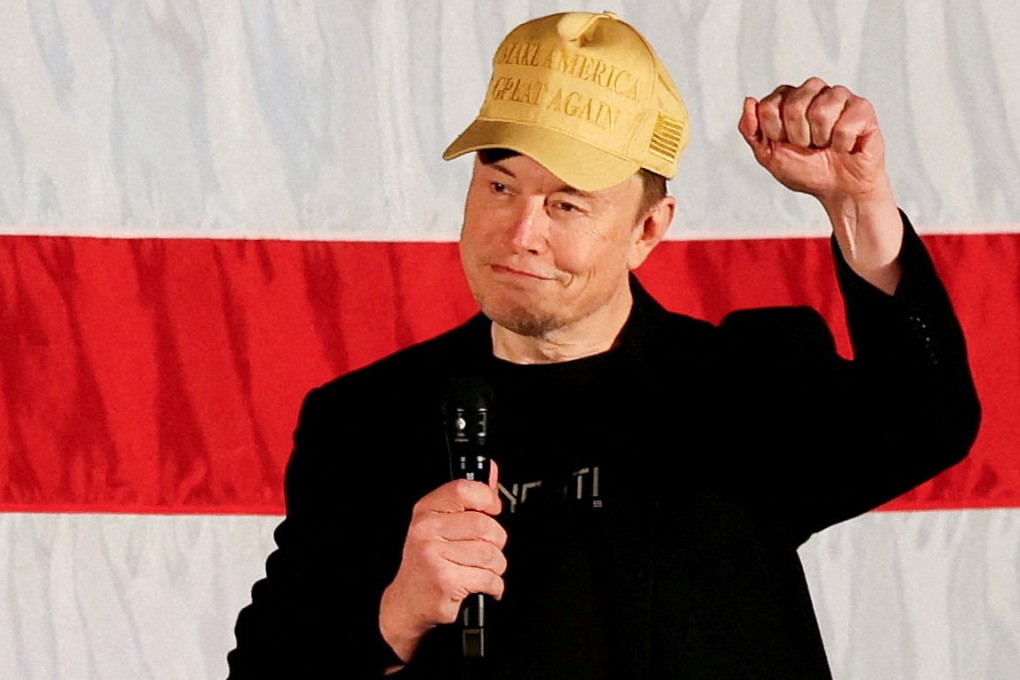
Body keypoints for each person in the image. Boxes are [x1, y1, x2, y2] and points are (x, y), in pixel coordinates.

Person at [227, 10, 980, 679]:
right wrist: (394, 616)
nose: (521, 235)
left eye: (567, 204)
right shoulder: (364, 420)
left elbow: (928, 421)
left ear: (648, 230)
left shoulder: (740, 387)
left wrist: (857, 202)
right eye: (500, 187)